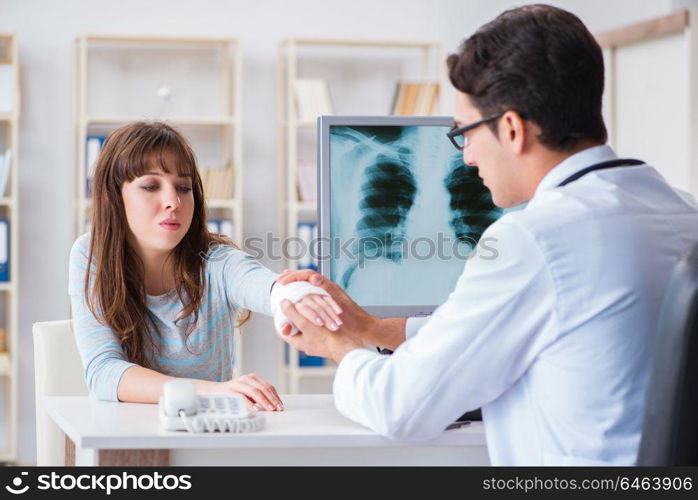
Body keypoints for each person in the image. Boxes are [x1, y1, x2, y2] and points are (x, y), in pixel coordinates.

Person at [276, 4, 698, 465]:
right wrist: (369, 328)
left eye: (465, 135)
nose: (468, 158)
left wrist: (335, 345)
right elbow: (495, 331)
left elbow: (401, 408)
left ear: (513, 129)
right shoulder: (681, 209)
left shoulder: (535, 239)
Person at [69, 121, 342, 410]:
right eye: (151, 186)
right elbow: (103, 374)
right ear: (114, 196)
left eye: (183, 187)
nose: (173, 201)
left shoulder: (217, 261)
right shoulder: (90, 254)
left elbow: (260, 283)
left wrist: (292, 295)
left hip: (206, 433)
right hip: (127, 435)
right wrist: (216, 391)